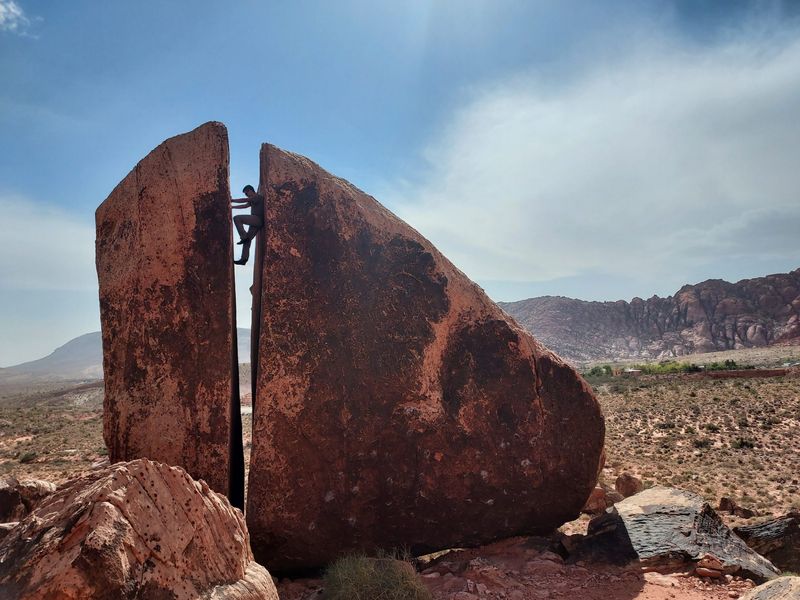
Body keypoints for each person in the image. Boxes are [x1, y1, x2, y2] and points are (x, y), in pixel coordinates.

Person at [232, 185, 264, 265]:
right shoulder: (252, 199)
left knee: (237, 218)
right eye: (245, 194)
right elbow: (245, 205)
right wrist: (232, 207)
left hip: (258, 219)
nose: (246, 195)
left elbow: (245, 200)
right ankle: (244, 259)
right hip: (255, 222)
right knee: (247, 241)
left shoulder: (257, 197)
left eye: (247, 193)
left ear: (250, 190)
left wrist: (232, 200)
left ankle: (243, 236)